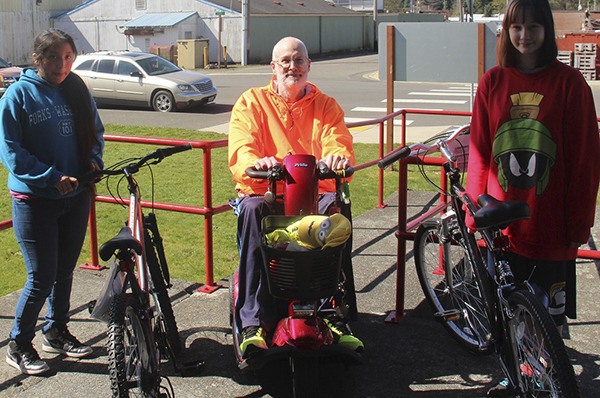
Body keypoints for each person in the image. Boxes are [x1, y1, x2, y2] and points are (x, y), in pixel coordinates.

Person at [465, 0, 600, 394]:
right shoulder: (493, 82)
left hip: (551, 223)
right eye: (516, 28)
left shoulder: (570, 83)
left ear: (547, 31)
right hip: (501, 223)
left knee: (548, 318)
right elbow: (479, 150)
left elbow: (583, 158)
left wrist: (579, 221)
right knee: (508, 310)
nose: (524, 36)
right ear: (506, 32)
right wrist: (476, 209)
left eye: (533, 27)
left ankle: (549, 377)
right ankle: (516, 374)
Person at [228, 36, 364, 357]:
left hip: (314, 196)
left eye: (299, 60)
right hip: (268, 194)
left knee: (338, 211)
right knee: (250, 211)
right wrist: (254, 163)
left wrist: (337, 159)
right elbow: (241, 147)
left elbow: (337, 142)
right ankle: (253, 322)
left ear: (308, 65)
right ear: (273, 67)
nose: (293, 66)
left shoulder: (326, 106)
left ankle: (334, 315)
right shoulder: (251, 102)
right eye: (285, 61)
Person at [0, 29, 105, 375]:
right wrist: (50, 177)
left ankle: (56, 330)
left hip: (75, 197)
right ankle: (19, 343)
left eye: (68, 58)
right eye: (54, 58)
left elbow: (96, 133)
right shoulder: (16, 96)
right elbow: (12, 153)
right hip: (36, 201)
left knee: (64, 270)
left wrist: (93, 160)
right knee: (41, 276)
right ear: (37, 59)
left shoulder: (76, 90)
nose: (62, 65)